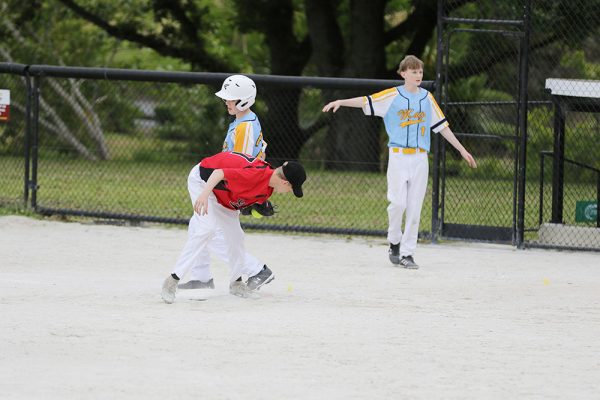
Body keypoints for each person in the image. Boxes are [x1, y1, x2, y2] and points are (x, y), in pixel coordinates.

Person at [322, 55, 477, 269]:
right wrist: (341, 102)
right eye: (413, 72)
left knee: (414, 208)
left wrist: (462, 150)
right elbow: (368, 100)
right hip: (398, 156)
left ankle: (407, 253)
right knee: (398, 204)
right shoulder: (392, 96)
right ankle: (394, 240)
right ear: (403, 73)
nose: (418, 75)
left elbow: (442, 126)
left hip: (420, 158)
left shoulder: (427, 98)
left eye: (420, 72)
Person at [161, 151, 306, 303]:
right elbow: (219, 173)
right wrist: (203, 195)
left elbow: (240, 196)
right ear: (285, 183)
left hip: (223, 198)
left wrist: (248, 207)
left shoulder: (267, 189)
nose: (289, 192)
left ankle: (236, 283)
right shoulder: (255, 175)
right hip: (203, 182)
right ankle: (172, 281)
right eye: (291, 189)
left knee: (237, 237)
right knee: (207, 229)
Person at [177, 75, 269, 291]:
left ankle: (256, 270)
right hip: (224, 183)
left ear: (244, 100)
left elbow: (241, 166)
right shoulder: (241, 121)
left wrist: (242, 196)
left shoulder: (245, 128)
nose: (226, 102)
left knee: (208, 232)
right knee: (198, 224)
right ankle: (201, 277)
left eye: (231, 99)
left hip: (228, 187)